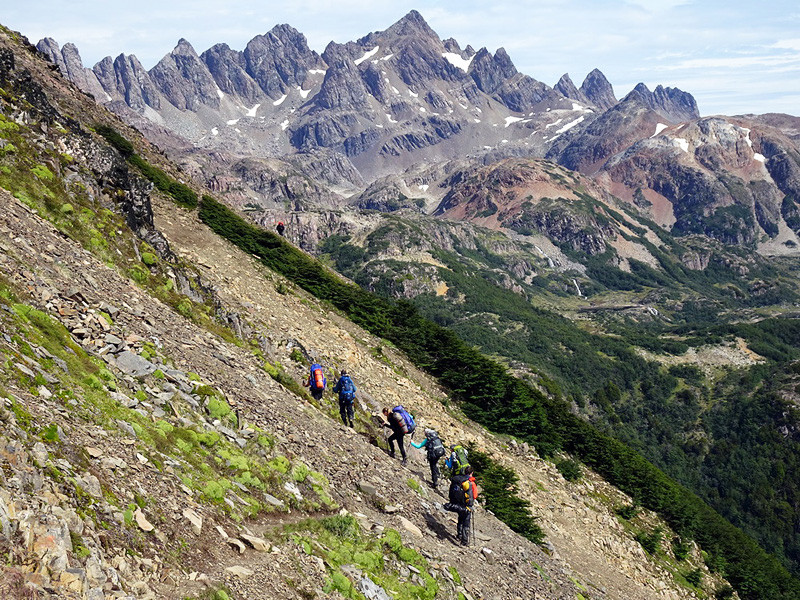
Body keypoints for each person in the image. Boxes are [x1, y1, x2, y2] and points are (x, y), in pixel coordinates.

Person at [443, 465, 477, 546]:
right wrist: (470, 505)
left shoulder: (458, 479)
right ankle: (464, 541)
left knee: (460, 519)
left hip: (458, 503)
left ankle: (459, 535)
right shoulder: (470, 482)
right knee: (466, 522)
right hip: (466, 505)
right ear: (471, 473)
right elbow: (474, 495)